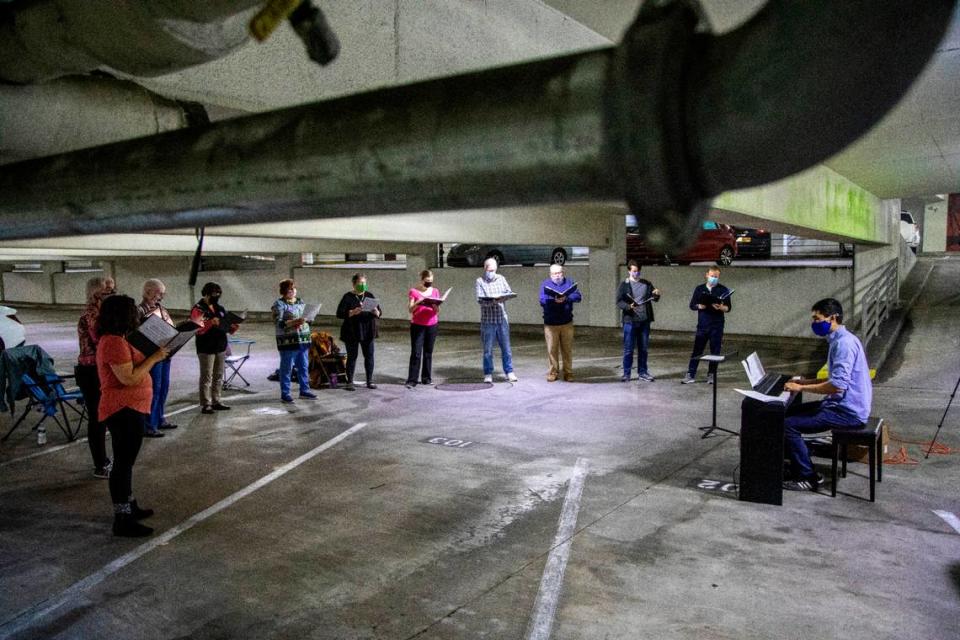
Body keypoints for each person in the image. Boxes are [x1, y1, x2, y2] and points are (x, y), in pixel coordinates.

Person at [781, 298, 872, 491]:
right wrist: (803, 382)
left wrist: (801, 389)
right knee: (786, 414)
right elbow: (832, 380)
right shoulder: (840, 340)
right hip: (839, 405)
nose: (814, 323)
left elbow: (837, 386)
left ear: (833, 318)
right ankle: (795, 464)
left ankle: (808, 477)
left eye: (817, 318)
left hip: (848, 413)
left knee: (787, 425)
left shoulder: (843, 345)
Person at [96, 294, 168, 537]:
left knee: (126, 462)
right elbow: (128, 378)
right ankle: (122, 517)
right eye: (132, 311)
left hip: (133, 407)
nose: (137, 315)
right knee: (123, 464)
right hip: (122, 409)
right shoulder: (113, 342)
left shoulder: (122, 338)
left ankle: (130, 505)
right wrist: (154, 358)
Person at [75, 276, 115, 478]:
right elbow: (99, 338)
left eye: (112, 288)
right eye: (107, 289)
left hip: (103, 368)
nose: (111, 292)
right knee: (97, 417)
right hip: (91, 371)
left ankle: (104, 460)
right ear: (95, 291)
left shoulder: (104, 311)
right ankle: (100, 464)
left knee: (106, 415)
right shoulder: (91, 313)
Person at [190, 282, 239, 414]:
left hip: (220, 346)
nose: (216, 296)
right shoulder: (198, 309)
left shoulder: (220, 308)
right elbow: (197, 329)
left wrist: (232, 328)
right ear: (206, 293)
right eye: (214, 294)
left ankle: (217, 400)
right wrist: (210, 323)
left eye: (218, 294)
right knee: (207, 376)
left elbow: (226, 326)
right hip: (206, 347)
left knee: (218, 375)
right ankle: (206, 403)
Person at [136, 279, 176, 437]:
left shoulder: (162, 309)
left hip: (165, 352)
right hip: (151, 355)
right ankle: (149, 424)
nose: (161, 297)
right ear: (147, 292)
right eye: (159, 293)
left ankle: (159, 418)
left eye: (163, 293)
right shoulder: (139, 310)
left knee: (164, 387)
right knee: (154, 389)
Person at [682, 267, 731, 384]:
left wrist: (721, 307)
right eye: (712, 276)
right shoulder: (699, 289)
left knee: (715, 351)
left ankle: (711, 375)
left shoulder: (723, 289)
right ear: (706, 275)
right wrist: (699, 306)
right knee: (697, 350)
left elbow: (728, 307)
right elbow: (692, 305)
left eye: (716, 276)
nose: (714, 278)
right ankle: (691, 374)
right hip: (703, 325)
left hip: (717, 326)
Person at [272, 279, 317, 403]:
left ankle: (305, 390)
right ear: (284, 291)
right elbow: (279, 322)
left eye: (294, 288)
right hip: (288, 341)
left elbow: (307, 318)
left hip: (302, 339)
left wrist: (309, 317)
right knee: (287, 368)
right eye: (290, 289)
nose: (292, 291)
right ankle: (285, 393)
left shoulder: (300, 302)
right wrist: (294, 322)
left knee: (303, 366)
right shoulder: (279, 304)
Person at [616, 260, 661, 382]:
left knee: (644, 348)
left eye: (638, 271)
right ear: (629, 271)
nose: (636, 273)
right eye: (634, 271)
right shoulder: (624, 285)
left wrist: (657, 294)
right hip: (630, 321)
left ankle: (643, 372)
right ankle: (626, 374)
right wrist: (628, 307)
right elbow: (619, 301)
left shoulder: (646, 283)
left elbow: (655, 298)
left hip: (644, 321)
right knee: (628, 349)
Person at [336, 273, 382, 390]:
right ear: (354, 284)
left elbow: (379, 313)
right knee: (352, 356)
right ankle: (349, 381)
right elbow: (339, 314)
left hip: (368, 330)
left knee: (369, 355)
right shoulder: (347, 297)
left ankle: (369, 381)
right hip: (352, 330)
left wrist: (376, 311)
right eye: (360, 283)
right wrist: (352, 312)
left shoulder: (369, 295)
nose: (363, 285)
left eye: (364, 283)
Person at [475, 257, 517, 383]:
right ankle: (488, 373)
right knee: (488, 349)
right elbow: (480, 300)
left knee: (506, 348)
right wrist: (492, 301)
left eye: (494, 270)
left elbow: (509, 292)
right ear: (485, 269)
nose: (491, 272)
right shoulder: (480, 281)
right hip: (488, 320)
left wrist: (504, 297)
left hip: (501, 318)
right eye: (489, 270)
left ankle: (509, 371)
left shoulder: (501, 278)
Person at [538, 264, 582, 381]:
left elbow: (578, 296)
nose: (557, 276)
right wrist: (555, 299)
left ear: (563, 273)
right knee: (552, 349)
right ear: (550, 274)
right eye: (554, 274)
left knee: (567, 349)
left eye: (559, 273)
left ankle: (568, 372)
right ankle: (553, 372)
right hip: (551, 323)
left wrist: (566, 298)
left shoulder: (569, 282)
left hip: (566, 322)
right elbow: (542, 300)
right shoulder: (545, 284)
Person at [405, 269, 440, 388]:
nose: (429, 283)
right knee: (416, 352)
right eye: (426, 281)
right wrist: (417, 303)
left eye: (430, 281)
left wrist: (436, 306)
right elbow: (410, 309)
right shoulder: (414, 291)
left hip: (432, 324)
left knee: (428, 352)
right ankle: (412, 379)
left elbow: (437, 311)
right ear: (421, 280)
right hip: (418, 325)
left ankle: (426, 378)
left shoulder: (435, 291)